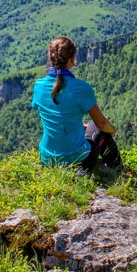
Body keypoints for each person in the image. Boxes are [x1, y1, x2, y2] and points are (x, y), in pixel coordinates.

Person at [31, 36, 121, 171]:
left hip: (48, 158)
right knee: (98, 128)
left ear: (50, 57)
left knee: (89, 127)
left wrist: (78, 126)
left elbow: (58, 114)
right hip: (78, 159)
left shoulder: (39, 86)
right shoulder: (81, 88)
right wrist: (113, 130)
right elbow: (102, 124)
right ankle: (117, 171)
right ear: (73, 57)